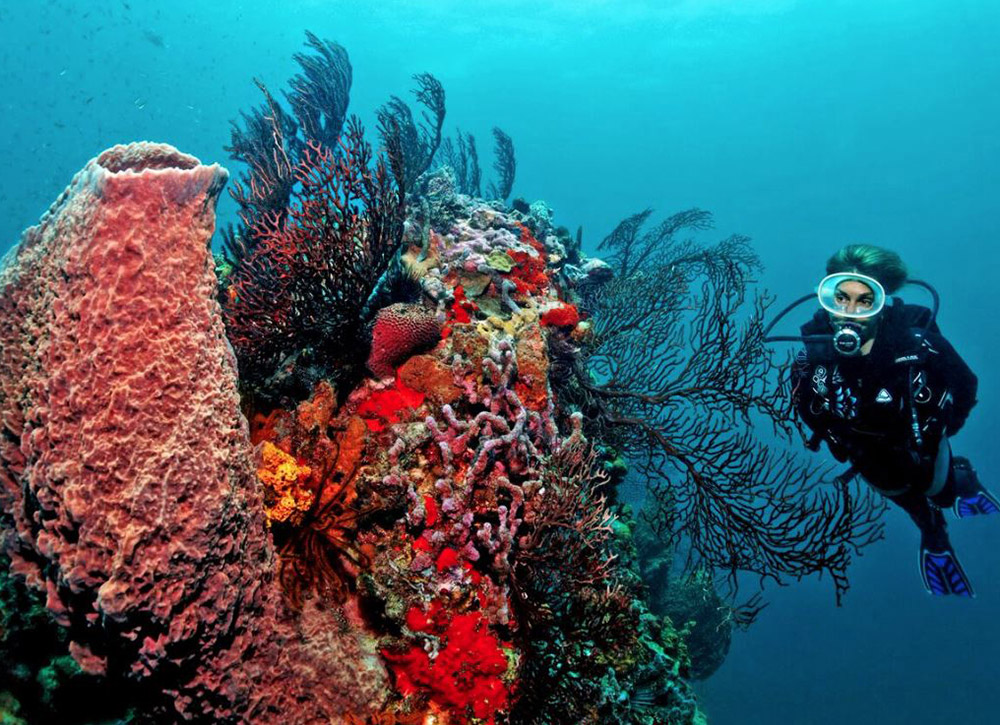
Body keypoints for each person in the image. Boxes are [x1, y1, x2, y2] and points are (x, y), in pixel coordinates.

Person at [790, 244, 997, 596]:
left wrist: (945, 428)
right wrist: (835, 433)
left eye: (863, 300)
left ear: (882, 302)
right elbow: (806, 408)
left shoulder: (918, 344)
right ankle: (933, 531)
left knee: (941, 491)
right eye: (839, 298)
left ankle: (962, 476)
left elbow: (966, 384)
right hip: (866, 454)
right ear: (825, 296)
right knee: (905, 499)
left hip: (923, 445)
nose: (849, 312)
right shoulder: (814, 358)